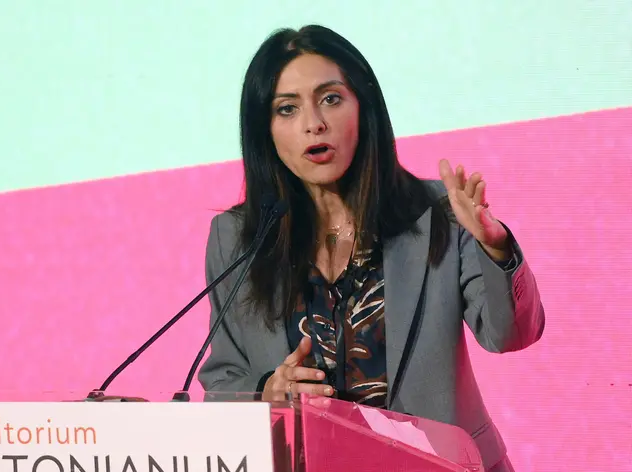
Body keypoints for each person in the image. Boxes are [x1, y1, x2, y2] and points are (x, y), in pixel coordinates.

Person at [197, 25, 544, 472]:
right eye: (287, 108)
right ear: (264, 129)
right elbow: (222, 380)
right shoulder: (236, 238)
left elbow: (511, 334)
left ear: (365, 107)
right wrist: (266, 391)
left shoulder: (436, 212)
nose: (313, 123)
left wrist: (495, 249)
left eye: (331, 99)